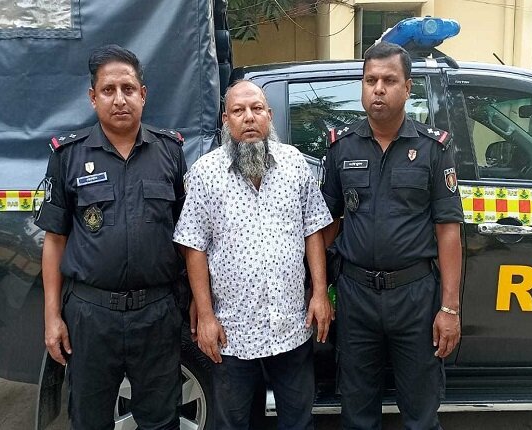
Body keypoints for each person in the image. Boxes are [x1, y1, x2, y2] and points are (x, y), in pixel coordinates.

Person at [35, 44, 186, 430]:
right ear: (93, 97)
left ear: (143, 94)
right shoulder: (67, 155)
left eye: (128, 89)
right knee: (89, 421)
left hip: (157, 314)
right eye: (108, 90)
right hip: (91, 316)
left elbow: (188, 236)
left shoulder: (170, 152)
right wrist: (52, 317)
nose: (119, 99)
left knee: (161, 421)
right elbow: (55, 240)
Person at [173, 80, 333, 430]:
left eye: (256, 109)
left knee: (298, 422)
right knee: (235, 423)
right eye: (238, 110)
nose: (249, 117)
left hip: (291, 326)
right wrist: (206, 315)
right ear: (225, 119)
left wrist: (320, 293)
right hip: (233, 333)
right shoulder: (205, 173)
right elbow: (194, 246)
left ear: (269, 115)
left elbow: (313, 230)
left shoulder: (294, 165)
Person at [321, 42, 464, 429]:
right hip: (355, 296)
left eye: (389, 80)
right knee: (357, 413)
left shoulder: (433, 148)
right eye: (370, 80)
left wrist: (449, 309)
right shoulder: (341, 147)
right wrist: (318, 290)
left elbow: (448, 230)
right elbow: (327, 224)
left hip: (414, 297)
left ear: (408, 88)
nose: (378, 89)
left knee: (420, 414)